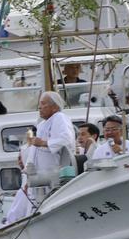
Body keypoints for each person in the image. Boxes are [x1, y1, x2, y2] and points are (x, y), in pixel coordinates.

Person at [5, 92, 76, 224]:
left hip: (50, 174)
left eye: (43, 104)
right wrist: (27, 174)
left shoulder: (59, 117)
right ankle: (11, 225)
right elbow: (35, 151)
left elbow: (66, 139)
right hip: (36, 176)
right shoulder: (43, 124)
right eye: (39, 104)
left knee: (38, 204)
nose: (40, 107)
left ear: (54, 107)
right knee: (22, 204)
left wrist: (44, 143)